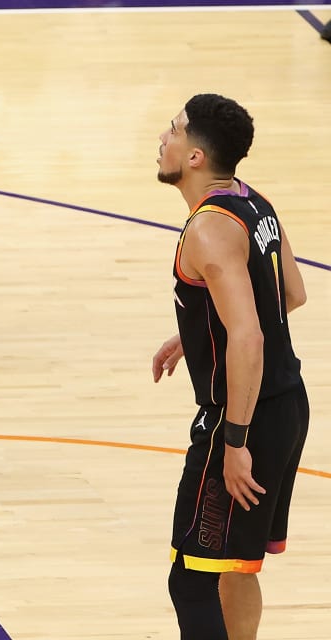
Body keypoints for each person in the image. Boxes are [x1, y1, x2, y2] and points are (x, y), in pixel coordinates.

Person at [151, 94, 309, 640]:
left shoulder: (207, 230)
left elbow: (248, 336)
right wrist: (196, 330)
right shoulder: (254, 201)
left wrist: (235, 441)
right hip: (289, 406)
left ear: (195, 157)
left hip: (244, 421)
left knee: (191, 581)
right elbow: (291, 291)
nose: (163, 139)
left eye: (172, 130)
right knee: (235, 570)